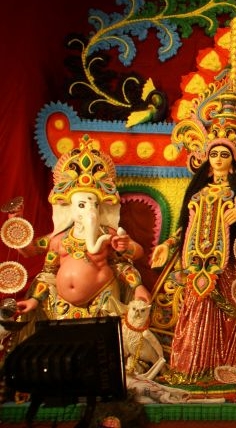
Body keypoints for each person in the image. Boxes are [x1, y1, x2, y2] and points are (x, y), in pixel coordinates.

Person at [151, 142, 236, 382]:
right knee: (195, 310)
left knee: (229, 315)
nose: (218, 158)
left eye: (224, 154)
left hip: (229, 263)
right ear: (208, 162)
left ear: (232, 162)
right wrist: (168, 245)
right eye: (214, 154)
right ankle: (193, 367)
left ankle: (227, 366)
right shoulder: (198, 192)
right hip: (195, 263)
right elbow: (186, 226)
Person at [13, 134, 150, 320]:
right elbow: (42, 268)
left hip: (102, 299)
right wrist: (16, 226)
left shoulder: (108, 234)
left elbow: (133, 257)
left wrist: (136, 280)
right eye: (82, 205)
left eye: (95, 205)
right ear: (70, 208)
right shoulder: (58, 239)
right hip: (62, 307)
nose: (90, 211)